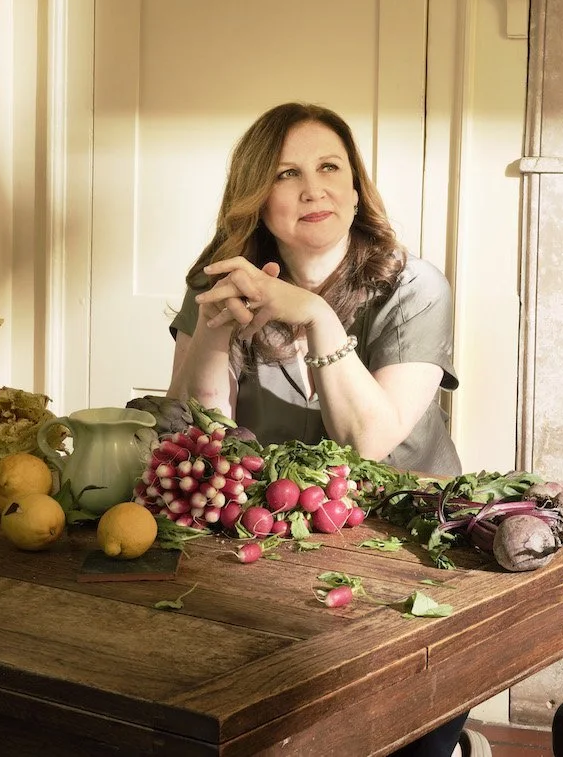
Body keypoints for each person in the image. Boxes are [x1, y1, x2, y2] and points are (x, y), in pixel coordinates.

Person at [167, 101, 487, 757]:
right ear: (257, 196)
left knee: (401, 737)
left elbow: (371, 442)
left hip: (407, 545)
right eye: (286, 173)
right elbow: (196, 437)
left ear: (355, 185)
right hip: (279, 549)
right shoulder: (223, 280)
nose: (312, 188)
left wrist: (316, 315)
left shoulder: (415, 287)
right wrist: (216, 330)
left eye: (328, 167)